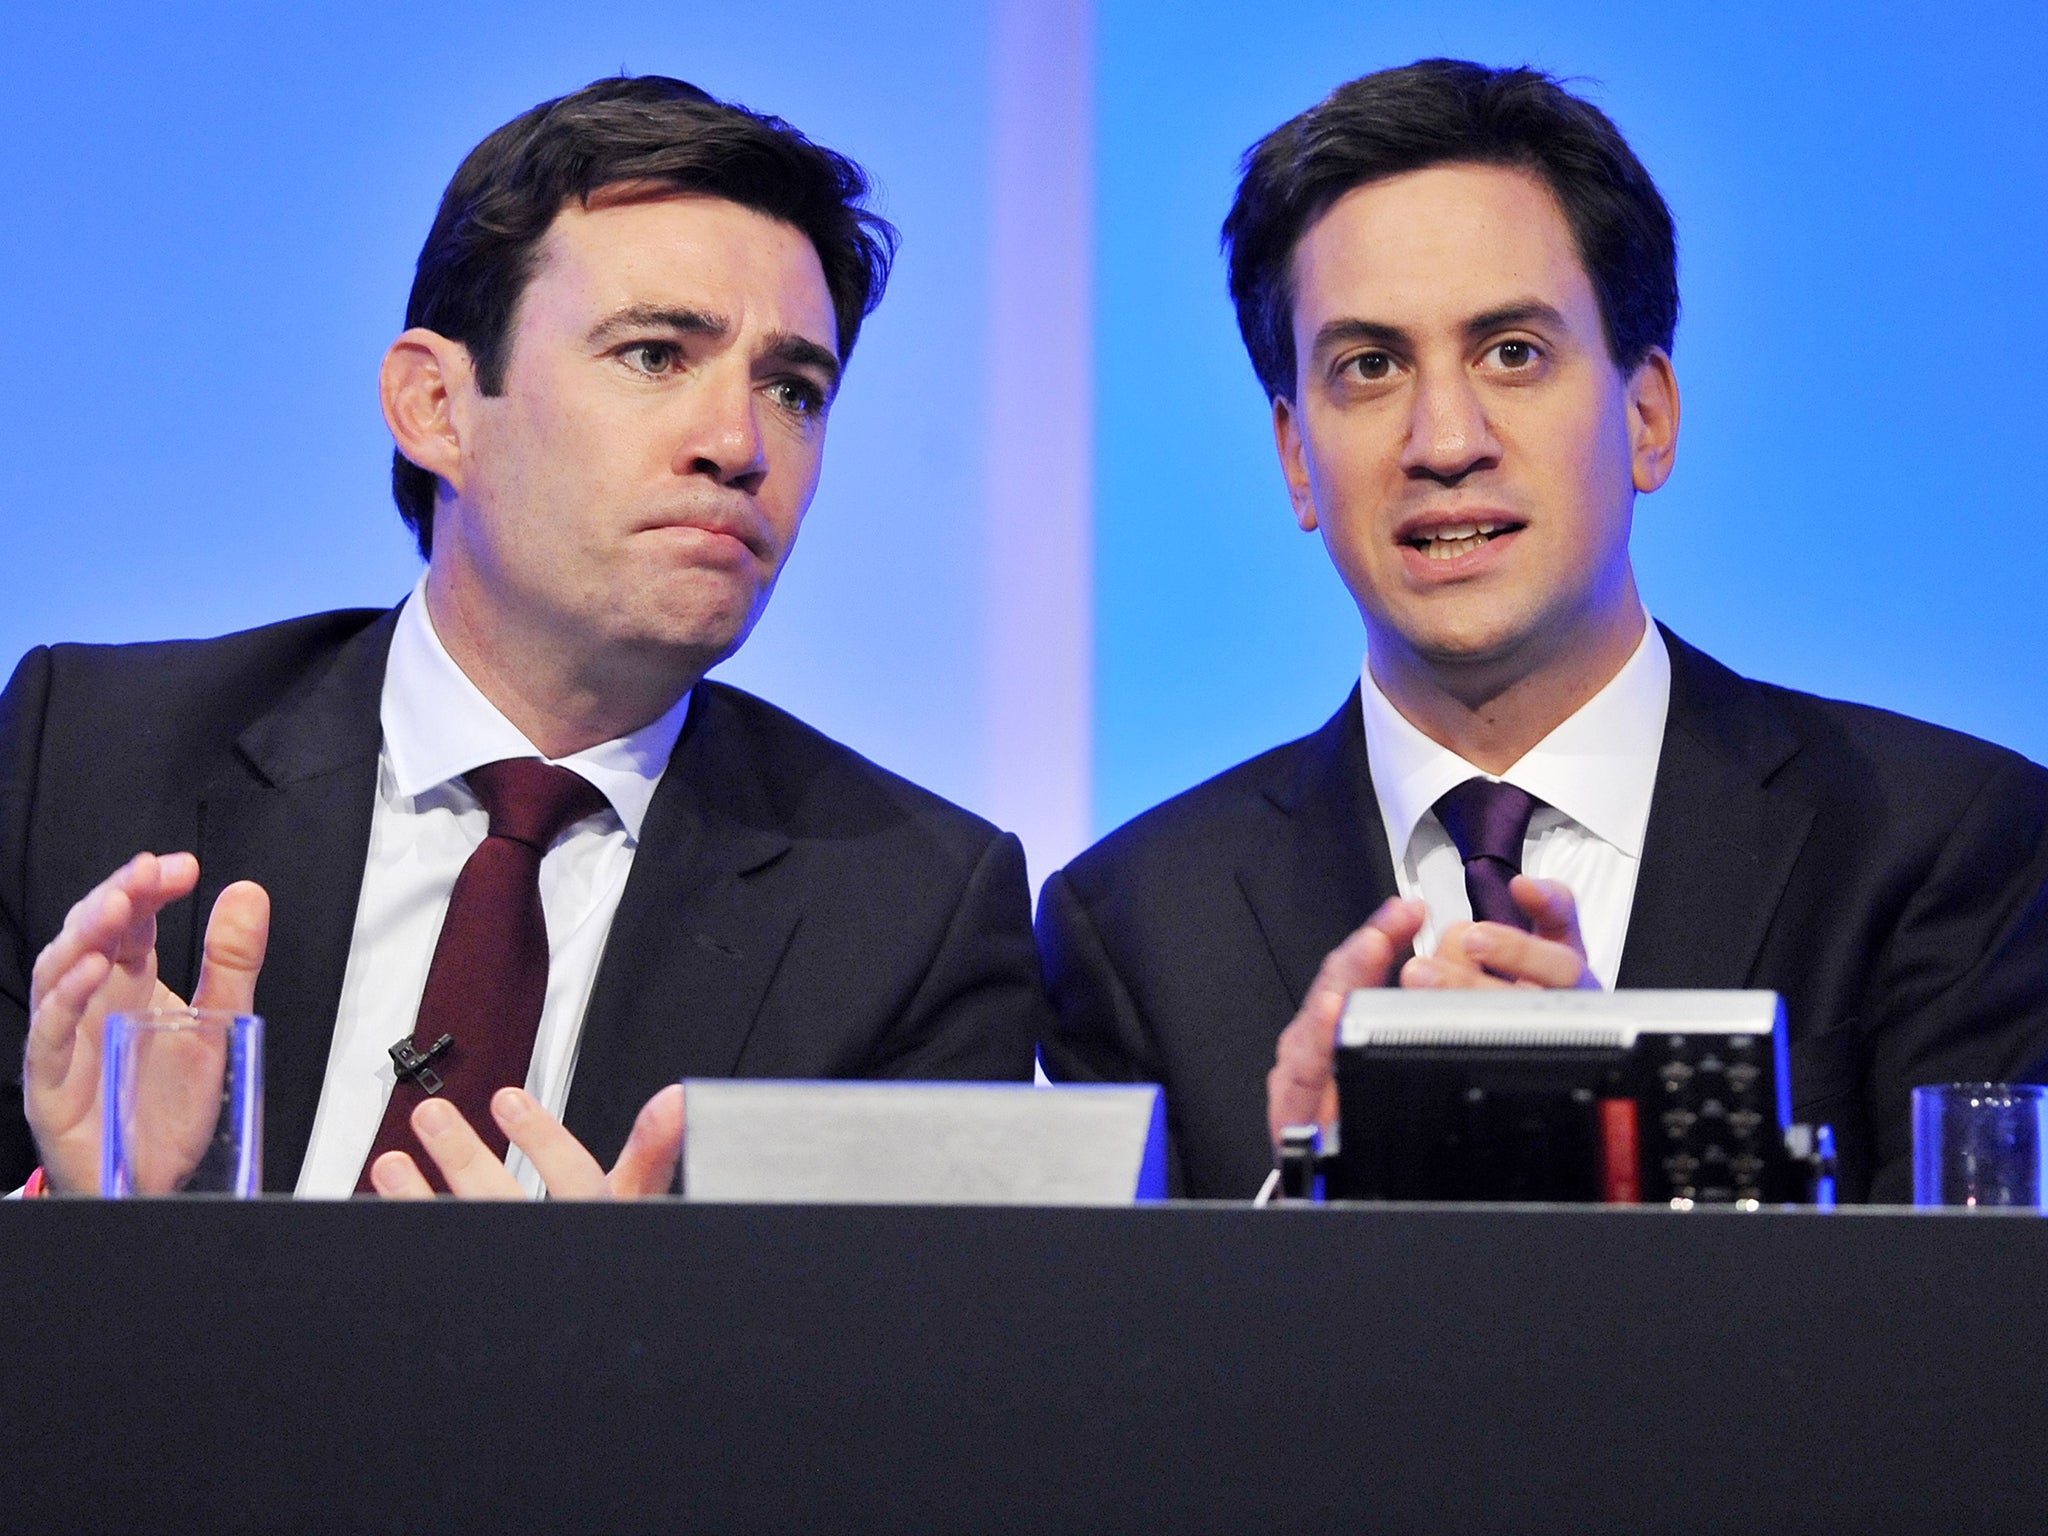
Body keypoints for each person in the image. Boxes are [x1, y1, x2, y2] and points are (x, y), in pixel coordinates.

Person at [3, 75, 1046, 1199]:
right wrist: (103, 1219)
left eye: (794, 389)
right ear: (436, 408)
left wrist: (599, 1341)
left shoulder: (907, 917)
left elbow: (915, 1366)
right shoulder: (83, 763)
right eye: (654, 354)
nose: (739, 443)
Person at [1036, 59, 2048, 1202]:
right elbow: (1128, 1370)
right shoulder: (1135, 925)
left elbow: (1973, 1357)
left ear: (1646, 415)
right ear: (1293, 458)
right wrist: (1301, 1197)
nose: (1444, 439)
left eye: (1510, 353)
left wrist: (1627, 1155)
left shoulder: (1942, 845)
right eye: (1369, 367)